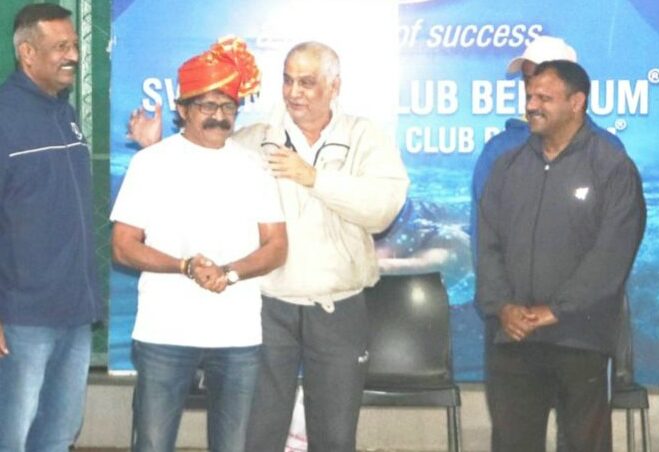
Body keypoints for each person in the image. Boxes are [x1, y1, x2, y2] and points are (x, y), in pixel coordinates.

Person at [129, 41, 409, 452]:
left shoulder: (364, 136)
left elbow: (382, 210)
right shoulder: (254, 141)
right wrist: (154, 149)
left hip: (339, 305)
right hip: (267, 308)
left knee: (335, 437)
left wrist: (314, 178)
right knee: (257, 436)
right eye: (288, 80)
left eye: (307, 82)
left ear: (334, 86)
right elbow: (199, 163)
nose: (294, 92)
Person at [111, 37, 287, 452]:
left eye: (228, 107)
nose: (219, 117)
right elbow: (123, 246)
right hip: (164, 331)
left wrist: (230, 273)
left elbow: (277, 245)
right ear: (183, 109)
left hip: (237, 335)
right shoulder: (150, 164)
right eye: (208, 106)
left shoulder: (253, 167)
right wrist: (184, 266)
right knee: (152, 444)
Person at [476, 60, 646, 452]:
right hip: (514, 338)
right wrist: (503, 307)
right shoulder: (507, 167)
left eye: (544, 98)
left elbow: (613, 253)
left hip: (580, 340)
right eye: (529, 96)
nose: (532, 105)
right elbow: (487, 245)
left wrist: (557, 310)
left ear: (576, 102)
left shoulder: (612, 167)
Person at [0, 4, 104, 451]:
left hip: (75, 314)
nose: (74, 56)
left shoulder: (65, 112)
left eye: (75, 45)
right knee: (12, 437)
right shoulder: (5, 117)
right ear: (27, 53)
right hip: (21, 321)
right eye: (61, 46)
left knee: (58, 435)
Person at [470, 36, 577, 260]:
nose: (533, 87)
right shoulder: (499, 150)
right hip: (516, 282)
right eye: (527, 78)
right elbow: (484, 237)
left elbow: (616, 239)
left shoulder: (605, 149)